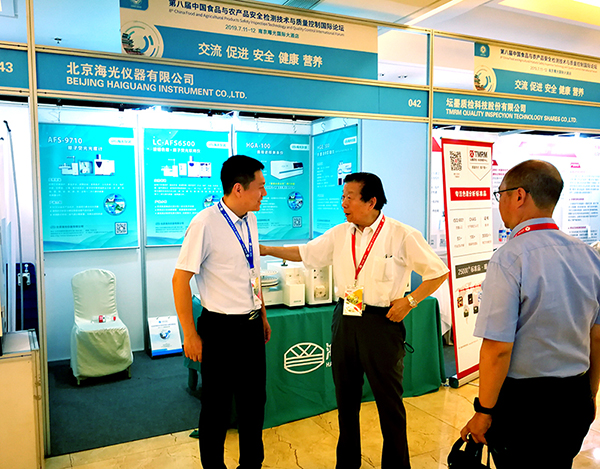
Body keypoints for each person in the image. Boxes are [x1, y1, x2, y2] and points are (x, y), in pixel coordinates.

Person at [261, 172, 448, 469]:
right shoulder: (340, 233)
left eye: (350, 197)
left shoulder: (402, 234)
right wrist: (265, 249)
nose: (343, 203)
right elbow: (305, 253)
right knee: (346, 399)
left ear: (371, 201)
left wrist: (410, 302)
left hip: (382, 323)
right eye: (343, 197)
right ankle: (347, 464)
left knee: (389, 402)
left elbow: (438, 272)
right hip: (346, 318)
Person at [460, 159, 600, 468]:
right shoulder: (589, 255)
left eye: (501, 195)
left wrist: (484, 411)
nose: (500, 203)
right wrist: (590, 393)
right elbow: (597, 335)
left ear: (519, 196)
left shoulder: (509, 258)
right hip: (574, 395)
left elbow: (498, 348)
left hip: (525, 404)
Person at [172, 154, 271, 469]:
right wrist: (190, 334)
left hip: (251, 326)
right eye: (260, 187)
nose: (264, 193)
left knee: (253, 403)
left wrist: (262, 313)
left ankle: (251, 465)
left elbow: (251, 271)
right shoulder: (204, 223)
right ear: (238, 188)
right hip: (220, 329)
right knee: (216, 407)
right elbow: (179, 280)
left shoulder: (250, 219)